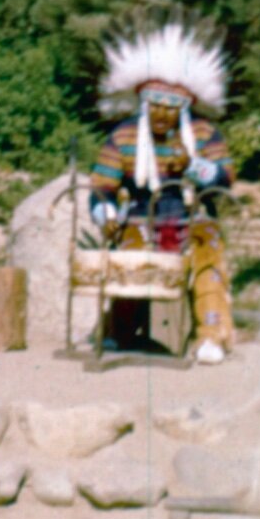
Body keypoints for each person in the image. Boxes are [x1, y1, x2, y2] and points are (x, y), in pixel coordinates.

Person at [91, 25, 235, 364]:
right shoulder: (124, 135)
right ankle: (122, 330)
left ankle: (211, 335)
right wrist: (106, 215)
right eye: (154, 104)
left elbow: (225, 178)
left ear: (184, 108)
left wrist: (196, 167)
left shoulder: (203, 134)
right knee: (130, 258)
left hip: (195, 219)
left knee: (207, 261)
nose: (161, 114)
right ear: (143, 102)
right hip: (140, 220)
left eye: (171, 107)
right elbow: (101, 187)